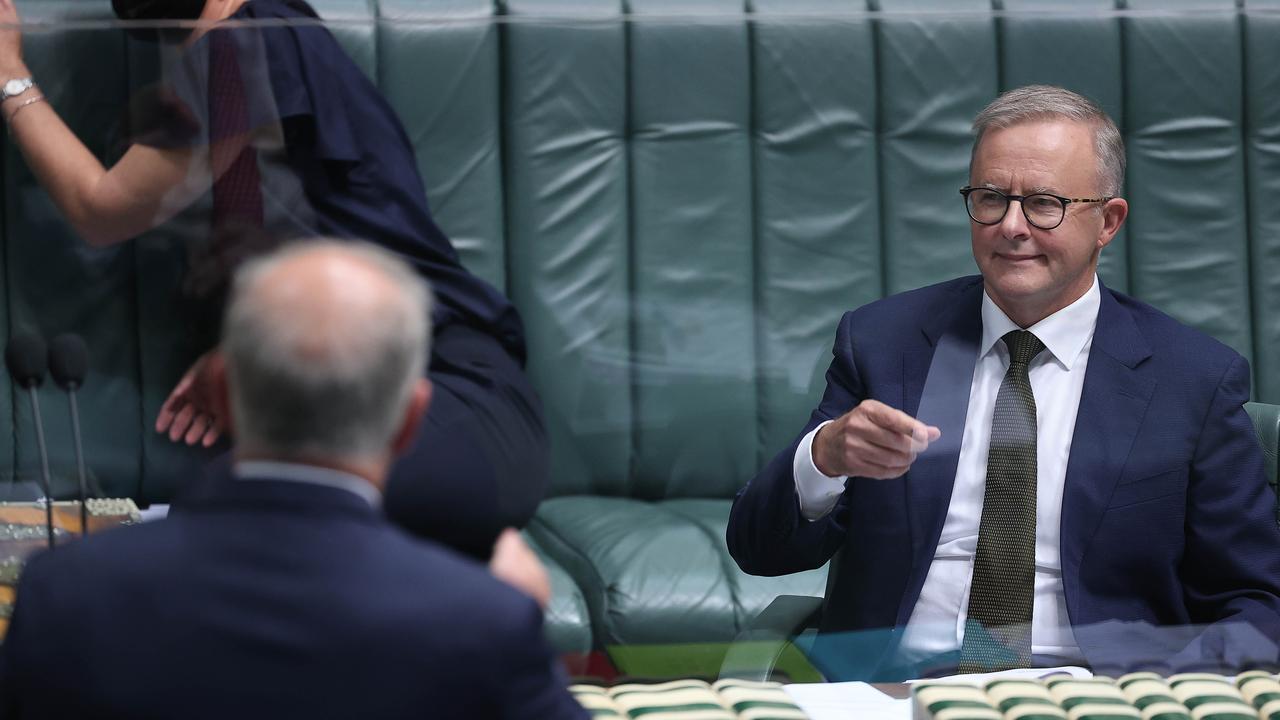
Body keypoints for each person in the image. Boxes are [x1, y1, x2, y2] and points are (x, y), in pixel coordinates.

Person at [726, 85, 1280, 680]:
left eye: (1043, 203)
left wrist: (1156, 695)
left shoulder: (1190, 379)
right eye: (991, 198)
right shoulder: (885, 344)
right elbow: (761, 548)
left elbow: (1258, 603)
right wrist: (825, 457)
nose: (1011, 226)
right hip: (893, 692)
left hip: (1096, 696)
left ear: (1108, 222)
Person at [0, 0, 546, 560]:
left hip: (454, 398)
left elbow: (102, 211)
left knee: (229, 524)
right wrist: (259, 352)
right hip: (347, 411)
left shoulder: (248, 40)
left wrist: (8, 72)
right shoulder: (242, 46)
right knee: (222, 522)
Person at [0, 241, 585, 720]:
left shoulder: (64, 593)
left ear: (220, 394)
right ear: (409, 421)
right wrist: (524, 618)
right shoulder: (484, 623)